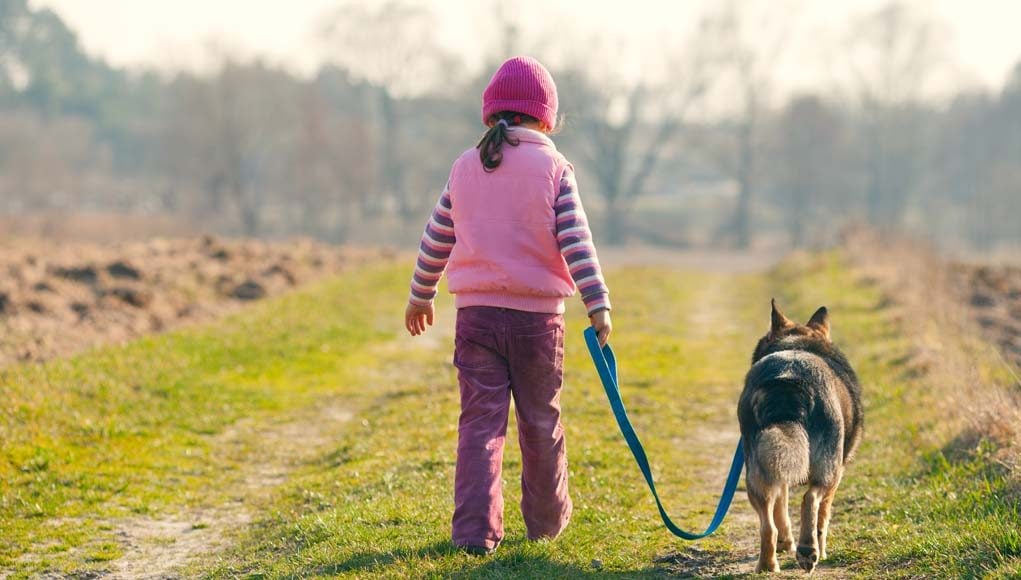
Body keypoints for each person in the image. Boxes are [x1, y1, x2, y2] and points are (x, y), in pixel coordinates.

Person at [403, 56, 612, 556]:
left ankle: (475, 532)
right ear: (545, 118)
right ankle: (546, 524)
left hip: (475, 318)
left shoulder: (465, 166)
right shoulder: (555, 169)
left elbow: (437, 236)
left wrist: (421, 293)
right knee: (541, 421)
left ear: (492, 113)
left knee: (480, 425)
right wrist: (597, 302)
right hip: (538, 323)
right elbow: (576, 242)